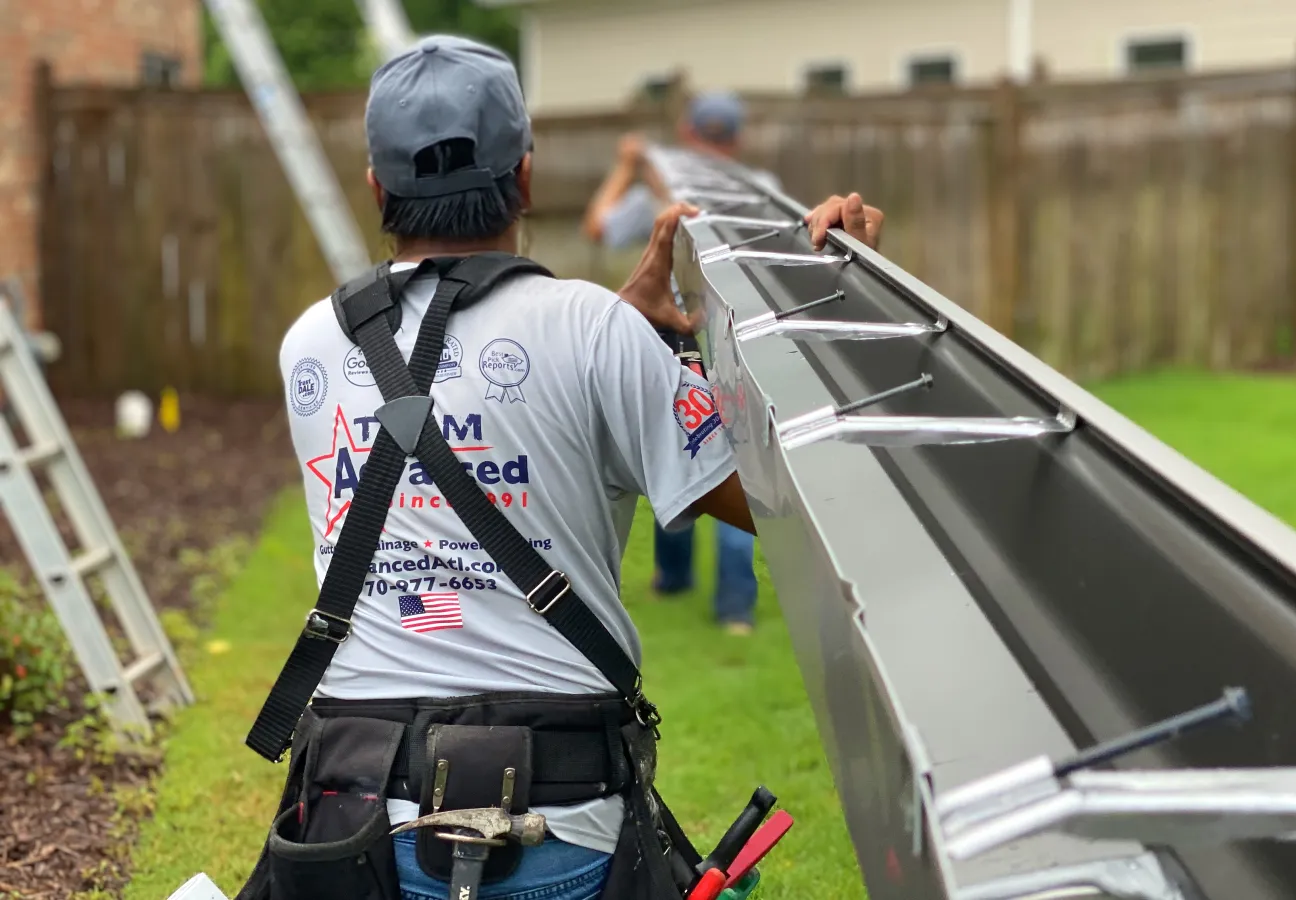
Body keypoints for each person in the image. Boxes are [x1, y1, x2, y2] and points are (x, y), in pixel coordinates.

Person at [242, 36, 884, 900]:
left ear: (376, 188)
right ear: (527, 177)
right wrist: (824, 303)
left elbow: (471, 393)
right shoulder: (596, 335)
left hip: (353, 825)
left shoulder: (311, 345)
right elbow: (786, 501)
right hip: (557, 819)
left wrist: (625, 340)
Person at [583, 92, 778, 636]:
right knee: (735, 458)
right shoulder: (761, 192)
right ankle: (729, 606)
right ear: (734, 140)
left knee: (679, 451)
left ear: (688, 136)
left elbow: (598, 225)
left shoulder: (658, 195)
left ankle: (681, 582)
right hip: (740, 344)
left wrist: (627, 167)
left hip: (678, 342)